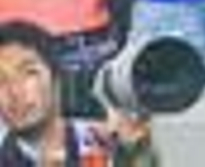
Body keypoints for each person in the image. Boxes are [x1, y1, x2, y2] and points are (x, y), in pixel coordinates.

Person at [0, 20, 155, 167]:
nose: (15, 92)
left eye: (29, 73)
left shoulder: (100, 141)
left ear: (55, 77)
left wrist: (136, 151)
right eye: (1, 80)